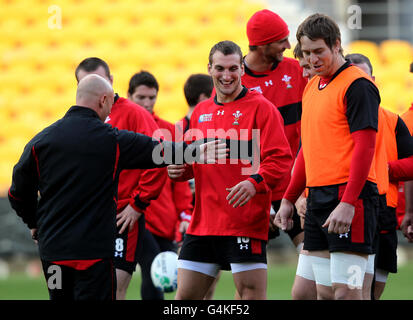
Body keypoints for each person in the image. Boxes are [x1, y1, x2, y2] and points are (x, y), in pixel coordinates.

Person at [8, 74, 225, 300]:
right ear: (103, 100)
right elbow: (157, 151)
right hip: (94, 256)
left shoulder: (41, 141)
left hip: (53, 254)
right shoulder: (110, 140)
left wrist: (34, 222)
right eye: (111, 104)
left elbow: (17, 193)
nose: (111, 112)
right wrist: (195, 151)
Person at [167, 40, 293, 300]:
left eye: (233, 68)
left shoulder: (262, 109)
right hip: (203, 224)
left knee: (249, 296)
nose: (227, 75)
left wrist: (255, 182)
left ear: (242, 70)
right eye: (220, 68)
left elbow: (281, 159)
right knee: (184, 300)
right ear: (210, 69)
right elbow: (196, 161)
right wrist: (182, 170)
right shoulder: (200, 112)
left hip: (244, 224)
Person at [275, 14, 381, 300]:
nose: (312, 59)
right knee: (315, 293)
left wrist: (348, 203)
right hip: (317, 200)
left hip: (350, 198)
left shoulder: (358, 85)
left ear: (336, 45)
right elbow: (307, 151)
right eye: (306, 53)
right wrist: (288, 198)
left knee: (347, 293)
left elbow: (365, 147)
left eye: (318, 51)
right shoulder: (312, 86)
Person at [242, 9, 308, 250]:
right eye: (282, 41)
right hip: (252, 187)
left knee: (312, 261)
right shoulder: (232, 82)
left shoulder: (297, 72)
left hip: (293, 186)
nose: (289, 46)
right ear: (261, 45)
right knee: (245, 273)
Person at [127, 70, 193, 299]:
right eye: (141, 97)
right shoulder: (122, 131)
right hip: (136, 216)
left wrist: (185, 213)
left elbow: (180, 180)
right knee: (154, 270)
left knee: (167, 278)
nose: (147, 103)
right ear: (129, 96)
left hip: (166, 219)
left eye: (151, 97)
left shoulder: (167, 130)